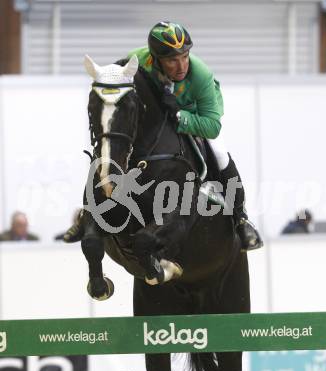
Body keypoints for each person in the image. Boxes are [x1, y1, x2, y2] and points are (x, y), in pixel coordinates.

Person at [64, 21, 262, 251]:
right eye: (172, 60)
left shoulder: (201, 76)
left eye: (185, 56)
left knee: (220, 152)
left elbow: (212, 126)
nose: (181, 66)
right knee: (113, 149)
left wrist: (179, 114)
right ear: (155, 58)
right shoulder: (137, 60)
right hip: (156, 115)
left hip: (196, 114)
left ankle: (241, 218)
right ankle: (89, 213)